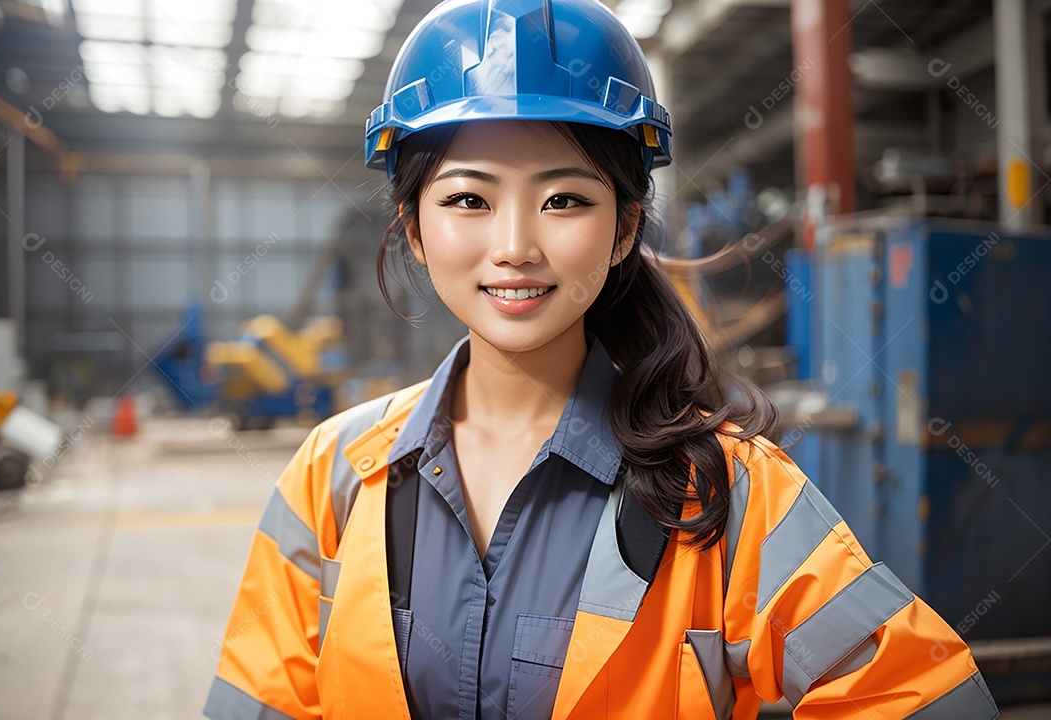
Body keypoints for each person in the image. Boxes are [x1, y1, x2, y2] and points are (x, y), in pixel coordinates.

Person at [205, 1, 998, 718]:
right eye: (469, 199)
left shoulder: (726, 491)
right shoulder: (332, 478)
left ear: (624, 230)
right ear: (414, 227)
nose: (515, 247)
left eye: (564, 199)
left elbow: (929, 700)